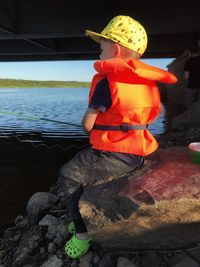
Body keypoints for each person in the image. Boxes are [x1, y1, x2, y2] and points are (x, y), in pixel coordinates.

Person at [57, 15, 177, 259]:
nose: (99, 49)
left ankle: (82, 234)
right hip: (139, 152)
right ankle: (81, 213)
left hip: (115, 154)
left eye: (101, 45)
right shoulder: (146, 81)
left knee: (68, 176)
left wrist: (89, 126)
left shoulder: (107, 82)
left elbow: (88, 125)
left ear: (116, 49)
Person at [184, 36, 200, 109]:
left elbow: (186, 77)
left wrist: (186, 83)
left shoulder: (188, 62)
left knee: (190, 106)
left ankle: (191, 119)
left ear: (189, 53)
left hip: (191, 86)